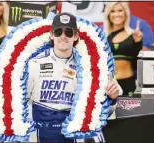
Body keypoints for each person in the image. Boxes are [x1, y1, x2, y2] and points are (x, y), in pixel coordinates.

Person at [24, 12, 121, 143]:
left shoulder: (88, 70)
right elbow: (19, 104)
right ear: (52, 35)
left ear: (75, 36)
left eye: (68, 32)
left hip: (73, 137)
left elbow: (106, 112)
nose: (63, 37)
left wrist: (113, 98)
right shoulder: (34, 64)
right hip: (40, 136)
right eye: (58, 31)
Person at [103, 2, 143, 97]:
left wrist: (138, 42)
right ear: (108, 14)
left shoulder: (134, 35)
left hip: (128, 83)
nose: (116, 14)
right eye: (112, 11)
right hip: (108, 86)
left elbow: (137, 64)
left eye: (120, 10)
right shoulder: (102, 35)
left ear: (126, 13)